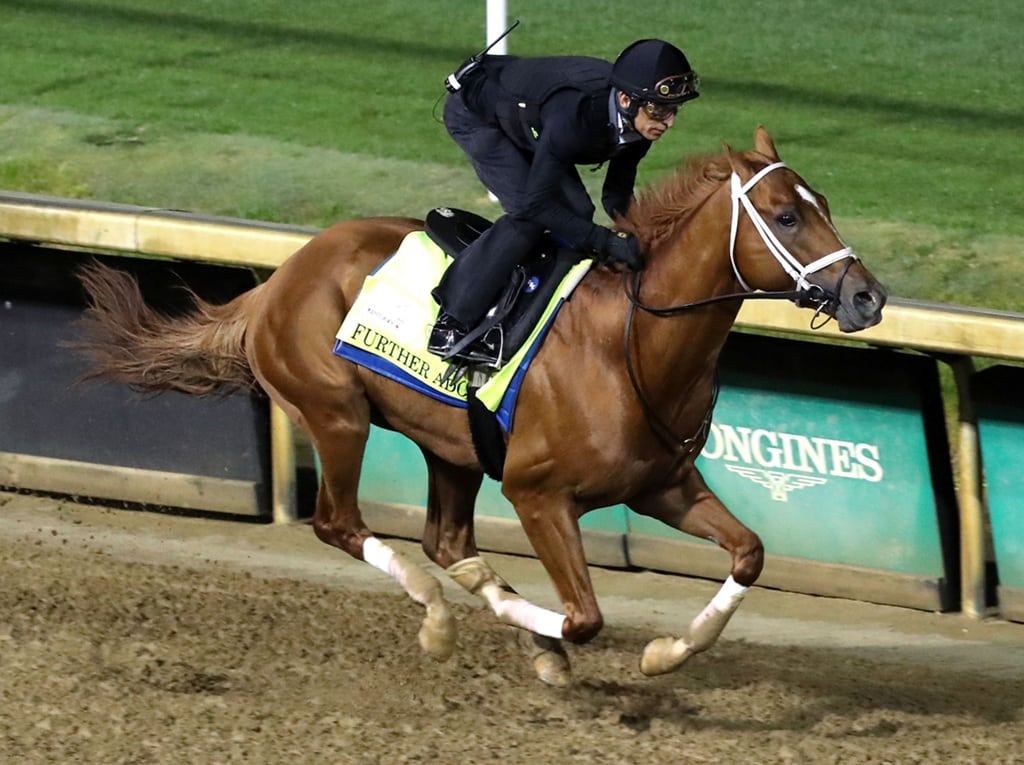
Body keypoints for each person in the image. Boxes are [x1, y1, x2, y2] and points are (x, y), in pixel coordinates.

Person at [428, 38, 700, 363]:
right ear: (626, 100)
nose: (668, 122)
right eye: (660, 109)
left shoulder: (641, 123)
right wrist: (606, 240)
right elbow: (535, 205)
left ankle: (540, 309)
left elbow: (616, 194)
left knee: (577, 214)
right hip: (478, 118)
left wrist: (643, 238)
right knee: (530, 218)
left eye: (674, 110)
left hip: (530, 121)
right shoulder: (577, 118)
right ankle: (452, 322)